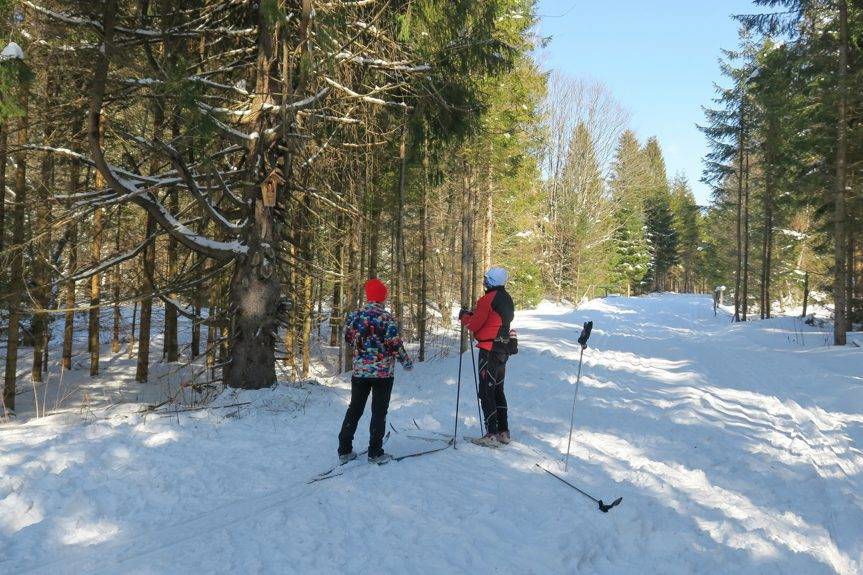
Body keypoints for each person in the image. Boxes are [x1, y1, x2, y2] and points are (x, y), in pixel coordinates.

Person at [338, 278, 413, 464]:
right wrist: (406, 361)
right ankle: (375, 452)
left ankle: (344, 449)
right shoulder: (386, 318)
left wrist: (362, 351)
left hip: (360, 372)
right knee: (379, 412)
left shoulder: (355, 316)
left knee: (355, 408)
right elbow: (394, 344)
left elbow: (348, 338)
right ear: (382, 297)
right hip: (383, 374)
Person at [459, 267, 515, 447]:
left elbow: (475, 325)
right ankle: (503, 431)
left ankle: (491, 433)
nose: (484, 281)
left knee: (486, 391)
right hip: (502, 349)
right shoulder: (507, 298)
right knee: (498, 390)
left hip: (489, 350)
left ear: (491, 281)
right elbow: (492, 320)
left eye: (486, 278)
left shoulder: (487, 299)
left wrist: (465, 317)